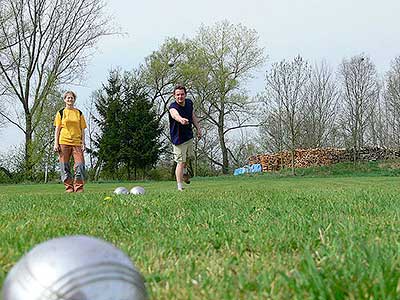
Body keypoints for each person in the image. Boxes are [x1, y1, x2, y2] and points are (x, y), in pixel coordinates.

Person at [169, 85, 201, 191]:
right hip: (178, 139)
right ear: (174, 96)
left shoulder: (189, 103)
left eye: (182, 94)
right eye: (178, 95)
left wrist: (199, 129)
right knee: (180, 162)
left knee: (188, 158)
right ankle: (180, 187)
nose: (180, 96)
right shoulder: (173, 107)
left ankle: (185, 172)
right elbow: (174, 115)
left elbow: (192, 116)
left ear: (185, 95)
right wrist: (181, 119)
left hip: (188, 136)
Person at [53, 91, 87, 193]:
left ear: (74, 100)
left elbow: (82, 129)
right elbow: (57, 129)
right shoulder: (60, 113)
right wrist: (56, 143)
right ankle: (69, 188)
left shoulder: (79, 113)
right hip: (63, 142)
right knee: (64, 167)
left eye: (72, 98)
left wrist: (83, 143)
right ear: (64, 100)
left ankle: (79, 188)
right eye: (68, 98)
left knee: (80, 165)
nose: (70, 100)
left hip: (77, 143)